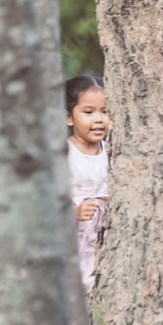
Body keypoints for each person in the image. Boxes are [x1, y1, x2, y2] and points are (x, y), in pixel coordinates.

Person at [65, 73, 109, 295]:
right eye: (89, 112)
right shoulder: (64, 154)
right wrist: (75, 211)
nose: (99, 119)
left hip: (105, 237)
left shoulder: (113, 153)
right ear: (69, 117)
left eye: (105, 111)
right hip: (75, 237)